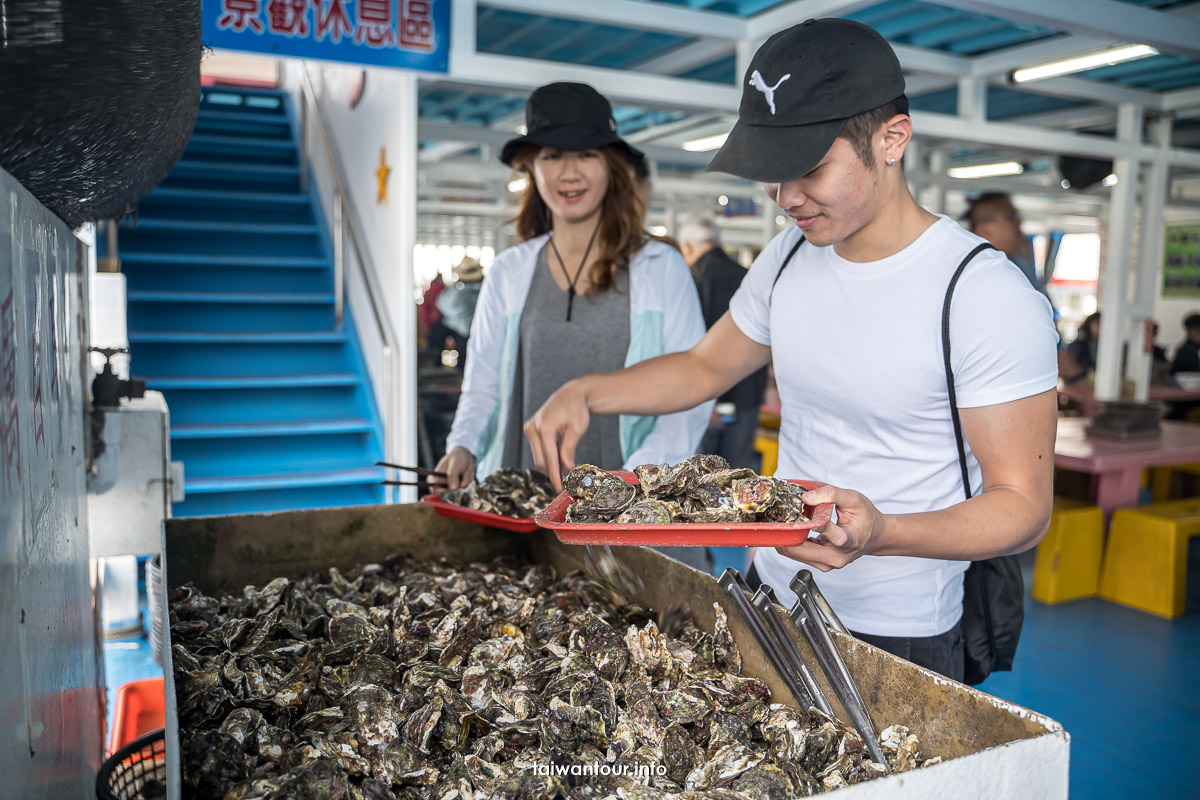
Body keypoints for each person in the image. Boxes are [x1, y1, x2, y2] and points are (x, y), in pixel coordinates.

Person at [524, 20, 1058, 680]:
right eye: (771, 173)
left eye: (808, 168)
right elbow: (703, 367)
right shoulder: (789, 257)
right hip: (766, 596)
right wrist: (586, 392)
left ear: (892, 140)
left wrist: (886, 531)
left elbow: (1023, 506)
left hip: (895, 632)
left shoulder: (981, 294)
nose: (785, 198)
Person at [435, 81, 713, 571]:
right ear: (531, 168)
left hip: (635, 518)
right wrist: (461, 446)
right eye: (550, 157)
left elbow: (690, 397)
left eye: (585, 154)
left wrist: (626, 490)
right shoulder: (509, 271)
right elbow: (482, 385)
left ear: (611, 164)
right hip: (529, 514)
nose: (568, 173)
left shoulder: (659, 268)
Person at [678, 216, 767, 469]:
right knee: (738, 475)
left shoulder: (693, 283)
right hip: (746, 397)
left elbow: (688, 347)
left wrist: (709, 402)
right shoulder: (748, 278)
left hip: (708, 398)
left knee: (702, 477)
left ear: (688, 247)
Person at [963, 193, 1040, 293]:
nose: (1020, 222)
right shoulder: (975, 270)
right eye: (1011, 217)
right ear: (984, 229)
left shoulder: (1019, 265)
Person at [436, 256, 484, 368]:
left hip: (463, 330)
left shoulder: (457, 292)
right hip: (476, 330)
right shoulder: (480, 291)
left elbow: (442, 304)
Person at [1060, 312, 1100, 385]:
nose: (1099, 328)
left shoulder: (1104, 348)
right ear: (1089, 325)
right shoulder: (1078, 345)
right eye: (1097, 324)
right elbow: (1071, 369)